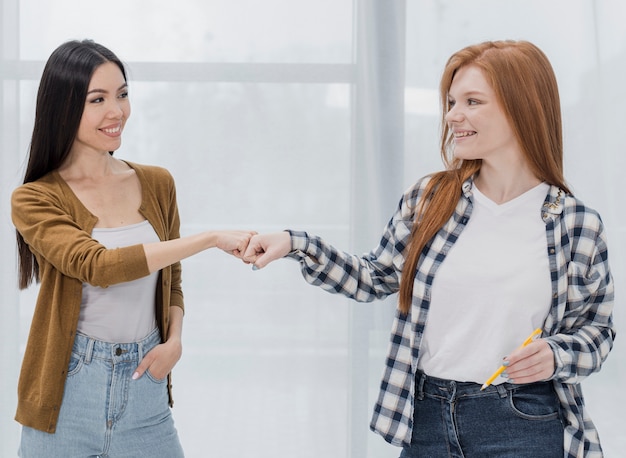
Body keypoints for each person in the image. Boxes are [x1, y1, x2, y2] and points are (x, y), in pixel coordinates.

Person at [243, 40, 615, 457]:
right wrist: (297, 244)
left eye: (472, 101)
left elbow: (597, 333)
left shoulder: (577, 225)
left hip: (522, 421)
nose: (453, 115)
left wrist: (557, 354)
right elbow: (374, 276)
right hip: (427, 420)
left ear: (521, 107)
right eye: (452, 101)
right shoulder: (430, 198)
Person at [11, 39, 254, 458]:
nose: (117, 111)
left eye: (122, 94)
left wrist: (174, 341)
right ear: (64, 106)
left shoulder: (157, 183)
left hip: (146, 387)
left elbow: (171, 281)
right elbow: (98, 266)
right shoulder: (34, 198)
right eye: (98, 99)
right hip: (68, 394)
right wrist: (209, 239)